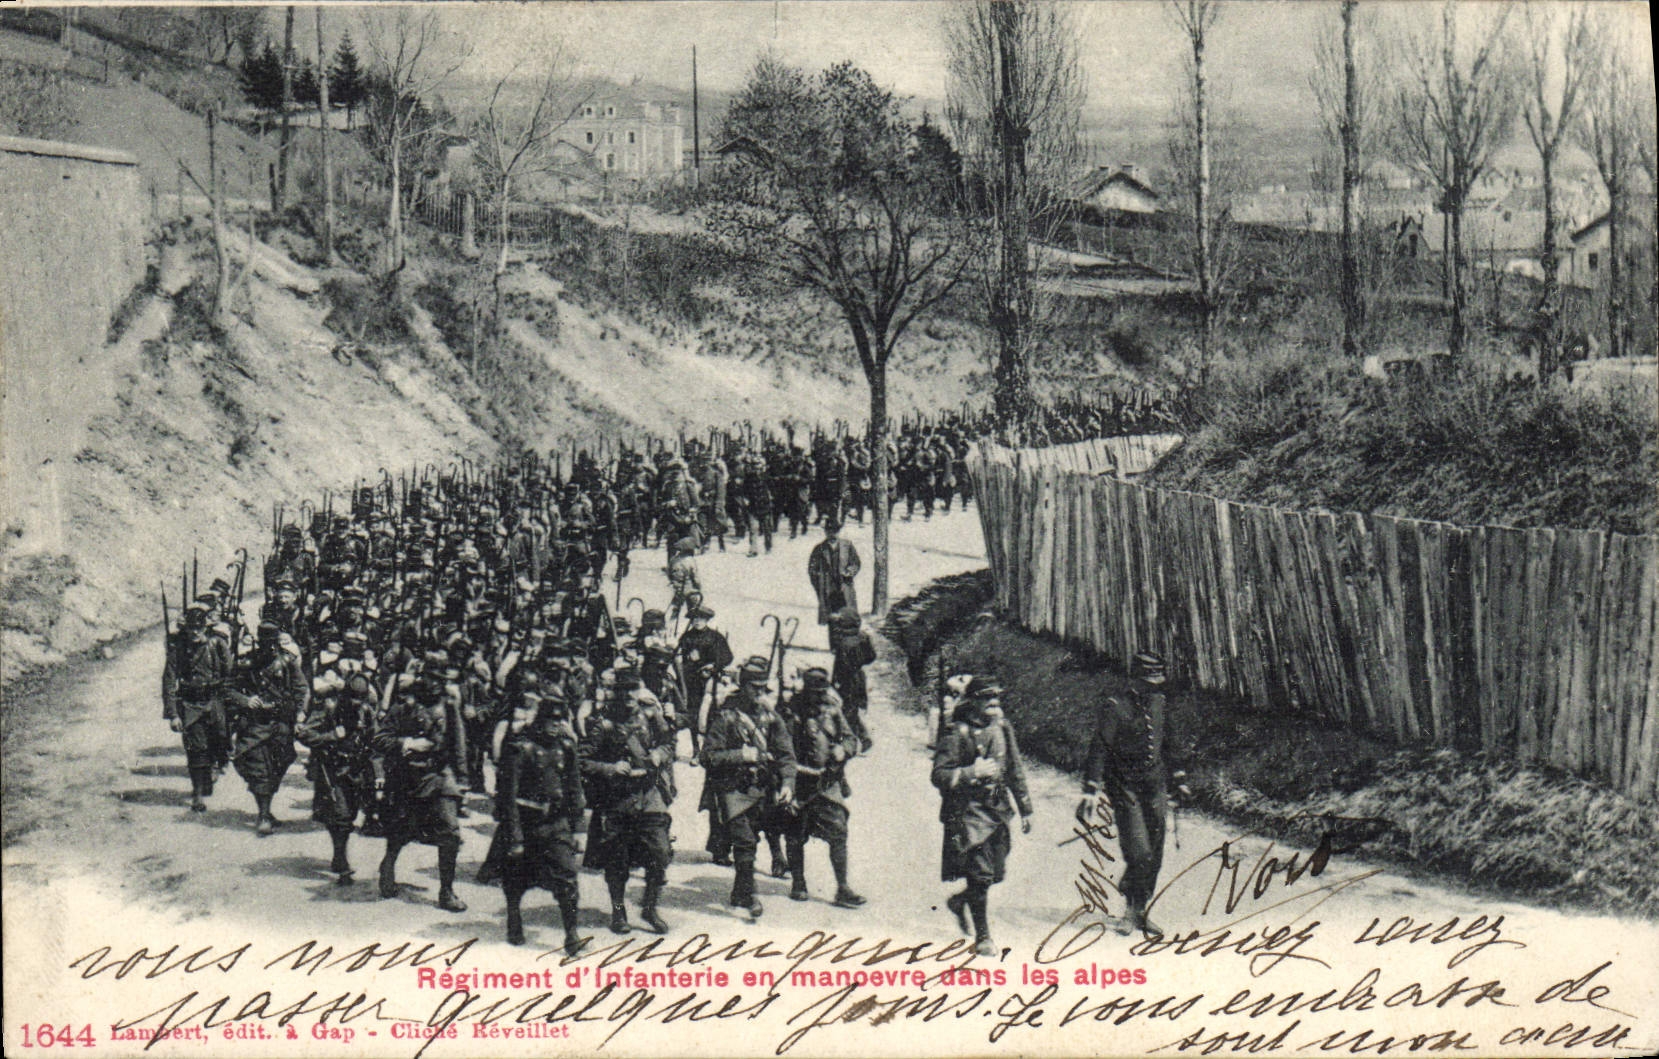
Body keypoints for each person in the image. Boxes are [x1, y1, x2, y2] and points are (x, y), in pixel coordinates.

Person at [1074, 650, 1182, 936]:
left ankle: (1139, 909)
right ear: (1134, 679)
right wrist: (1090, 790)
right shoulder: (1115, 705)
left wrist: (1179, 777)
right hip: (1125, 787)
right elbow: (1100, 748)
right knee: (1139, 850)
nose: (1154, 686)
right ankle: (1130, 909)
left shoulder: (1159, 701)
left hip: (1155, 784)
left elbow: (1168, 740)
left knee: (1155, 849)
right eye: (1149, 681)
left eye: (1157, 681)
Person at [932, 678, 1033, 956]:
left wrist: (1025, 808)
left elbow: (1014, 768)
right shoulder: (957, 733)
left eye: (997, 700)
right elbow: (938, 775)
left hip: (997, 809)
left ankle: (960, 901)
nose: (994, 706)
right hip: (969, 812)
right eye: (988, 700)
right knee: (981, 874)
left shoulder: (1002, 727)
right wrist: (970, 773)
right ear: (972, 702)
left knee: (996, 872)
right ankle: (983, 937)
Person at [491, 689, 587, 953]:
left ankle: (571, 933)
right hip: (525, 823)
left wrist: (579, 828)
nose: (556, 725)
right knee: (516, 877)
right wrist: (515, 836)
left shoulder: (566, 748)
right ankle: (514, 917)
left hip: (555, 823)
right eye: (551, 720)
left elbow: (575, 789)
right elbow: (508, 797)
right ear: (540, 720)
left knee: (567, 877)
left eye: (560, 720)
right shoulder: (521, 748)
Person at [701, 657, 796, 920]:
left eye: (763, 688)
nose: (759, 693)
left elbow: (786, 754)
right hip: (732, 789)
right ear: (742, 686)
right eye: (754, 687)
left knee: (753, 838)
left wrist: (788, 783)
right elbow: (707, 757)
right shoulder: (726, 716)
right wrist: (741, 755)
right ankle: (750, 896)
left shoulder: (769, 716)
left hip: (761, 789)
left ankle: (739, 892)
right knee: (744, 842)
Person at [581, 670, 675, 935]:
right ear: (616, 693)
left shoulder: (650, 717)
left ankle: (650, 907)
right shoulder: (604, 724)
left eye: (635, 690)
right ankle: (618, 910)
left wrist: (659, 753)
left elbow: (669, 742)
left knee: (661, 852)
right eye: (626, 690)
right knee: (617, 858)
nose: (631, 696)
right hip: (618, 798)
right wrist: (611, 768)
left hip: (649, 794)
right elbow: (582, 761)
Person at [374, 652, 469, 912]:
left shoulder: (449, 705)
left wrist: (462, 780)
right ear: (422, 676)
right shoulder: (405, 705)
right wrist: (407, 743)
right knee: (400, 830)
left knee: (450, 832)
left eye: (440, 679)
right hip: (408, 777)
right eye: (430, 678)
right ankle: (388, 866)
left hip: (440, 775)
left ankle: (446, 891)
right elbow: (380, 739)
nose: (435, 684)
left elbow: (458, 742)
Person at [783, 668, 865, 907]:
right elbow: (781, 749)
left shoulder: (832, 710)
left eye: (822, 692)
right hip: (799, 782)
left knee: (838, 830)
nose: (819, 698)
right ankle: (798, 881)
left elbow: (852, 739)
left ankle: (842, 887)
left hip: (828, 783)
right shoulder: (790, 712)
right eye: (814, 693)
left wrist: (844, 750)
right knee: (795, 833)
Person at [295, 671, 376, 884]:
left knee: (349, 815)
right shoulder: (330, 709)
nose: (357, 703)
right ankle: (342, 861)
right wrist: (331, 736)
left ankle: (338, 853)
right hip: (332, 769)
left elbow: (376, 740)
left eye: (361, 698)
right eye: (353, 698)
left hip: (356, 770)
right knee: (339, 815)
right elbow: (304, 734)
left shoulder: (367, 712)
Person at [229, 621, 307, 834]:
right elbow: (229, 689)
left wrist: (300, 713)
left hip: (281, 722)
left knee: (279, 764)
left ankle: (266, 805)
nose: (270, 648)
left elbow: (302, 688)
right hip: (254, 723)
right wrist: (245, 700)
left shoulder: (288, 662)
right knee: (257, 768)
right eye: (265, 643)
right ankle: (263, 815)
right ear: (258, 641)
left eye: (273, 643)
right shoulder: (247, 663)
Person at [162, 600, 233, 812]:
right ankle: (197, 792)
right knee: (195, 749)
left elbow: (229, 674)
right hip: (191, 704)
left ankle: (213, 768)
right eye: (191, 629)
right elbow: (168, 682)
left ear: (206, 628)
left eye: (199, 628)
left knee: (219, 741)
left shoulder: (217, 644)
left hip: (215, 700)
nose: (195, 633)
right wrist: (173, 714)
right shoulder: (178, 650)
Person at [675, 605, 732, 756]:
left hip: (709, 681)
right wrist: (687, 657)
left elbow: (728, 657)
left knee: (708, 714)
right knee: (693, 714)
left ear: (707, 620)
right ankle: (695, 749)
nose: (697, 621)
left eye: (701, 618)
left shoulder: (715, 637)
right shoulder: (686, 636)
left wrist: (713, 665)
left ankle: (707, 749)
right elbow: (678, 654)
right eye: (694, 618)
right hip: (691, 681)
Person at [828, 607, 876, 752]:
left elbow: (840, 665)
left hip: (846, 679)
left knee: (847, 711)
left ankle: (856, 741)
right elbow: (871, 657)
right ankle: (863, 737)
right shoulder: (863, 637)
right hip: (859, 677)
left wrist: (835, 681)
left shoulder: (843, 643)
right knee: (853, 709)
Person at [807, 519, 860, 625]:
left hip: (844, 587)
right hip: (828, 589)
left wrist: (850, 571)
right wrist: (820, 585)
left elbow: (856, 563)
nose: (832, 534)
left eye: (835, 531)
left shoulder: (847, 545)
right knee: (831, 619)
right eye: (829, 531)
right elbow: (812, 569)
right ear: (825, 532)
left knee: (848, 617)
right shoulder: (819, 548)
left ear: (839, 531)